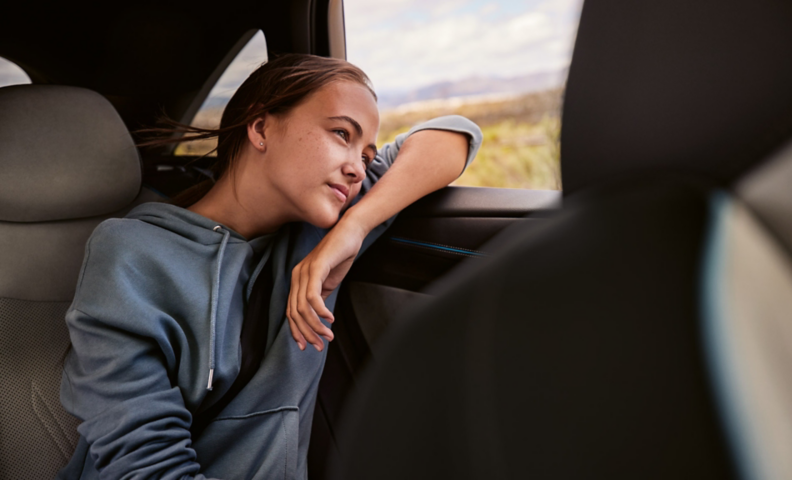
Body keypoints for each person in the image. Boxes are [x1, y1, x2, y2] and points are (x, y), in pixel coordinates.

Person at [57, 54, 482, 479]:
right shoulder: (131, 254)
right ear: (261, 128)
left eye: (367, 156)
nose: (357, 168)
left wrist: (355, 226)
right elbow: (146, 466)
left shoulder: (317, 237)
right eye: (340, 133)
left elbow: (455, 135)